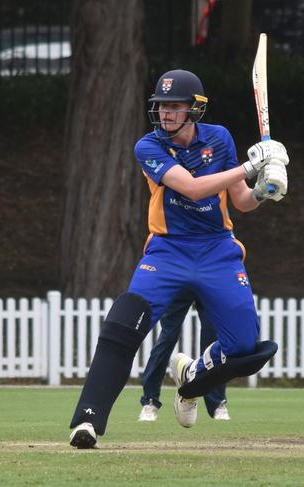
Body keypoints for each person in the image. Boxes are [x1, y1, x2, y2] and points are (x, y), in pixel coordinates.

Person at [68, 69, 289, 449]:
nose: (165, 114)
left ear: (194, 109)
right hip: (167, 251)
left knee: (246, 349)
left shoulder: (219, 138)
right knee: (123, 325)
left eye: (174, 106)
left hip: (218, 250)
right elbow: (192, 187)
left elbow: (239, 200)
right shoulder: (148, 146)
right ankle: (86, 422)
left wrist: (264, 189)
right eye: (161, 106)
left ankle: (191, 376)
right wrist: (250, 167)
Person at [138, 291, 230, 422]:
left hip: (206, 278)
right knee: (167, 338)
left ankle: (218, 403)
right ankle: (150, 401)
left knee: (212, 341)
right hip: (181, 279)